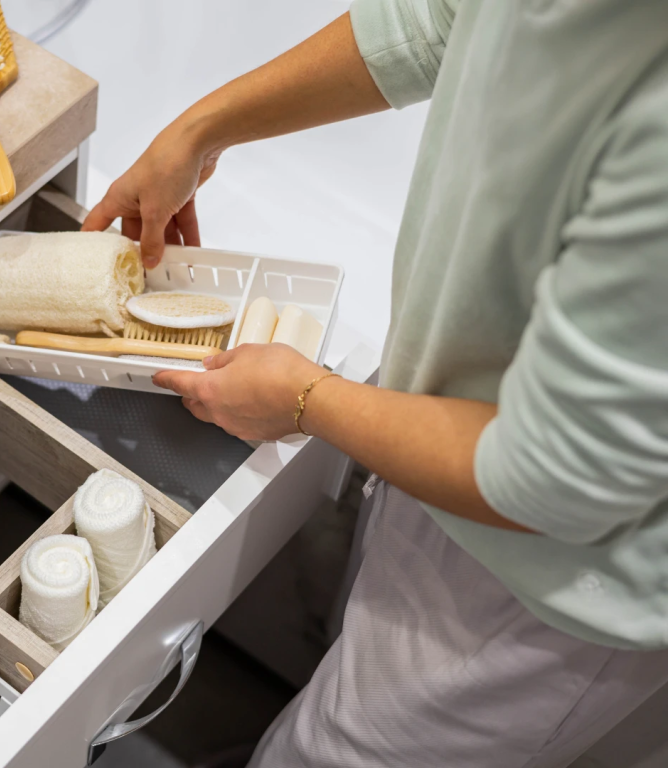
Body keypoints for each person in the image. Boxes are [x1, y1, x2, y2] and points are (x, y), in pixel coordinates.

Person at [81, 1, 668, 766]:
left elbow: (548, 480)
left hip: (553, 582)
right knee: (339, 680)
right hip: (455, 423)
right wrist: (202, 128)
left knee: (328, 751)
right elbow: (436, 19)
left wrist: (305, 400)